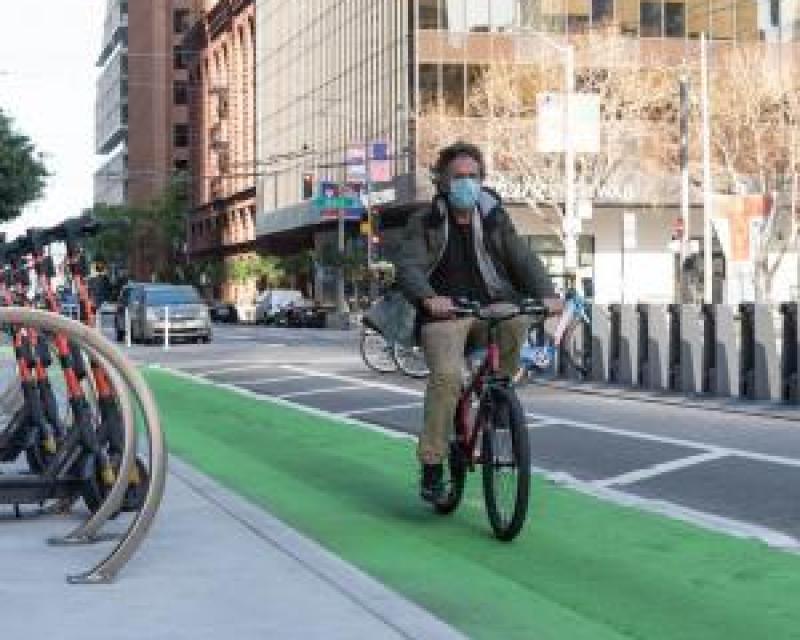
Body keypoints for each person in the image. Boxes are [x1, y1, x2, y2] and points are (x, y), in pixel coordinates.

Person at [394, 142, 561, 502]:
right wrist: (428, 298)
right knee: (448, 378)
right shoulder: (425, 221)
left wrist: (547, 294)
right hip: (445, 316)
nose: (466, 183)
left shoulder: (495, 216)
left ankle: (500, 397)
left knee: (518, 322)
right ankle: (433, 464)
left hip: (491, 310)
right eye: (458, 177)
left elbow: (523, 258)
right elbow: (408, 266)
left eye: (473, 177)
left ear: (482, 180)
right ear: (442, 181)